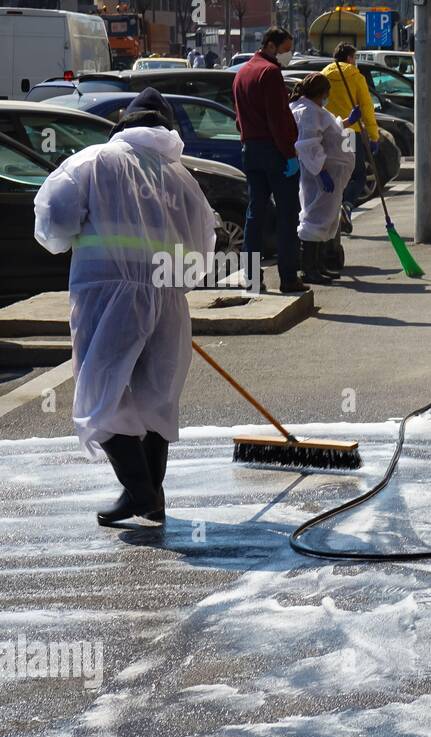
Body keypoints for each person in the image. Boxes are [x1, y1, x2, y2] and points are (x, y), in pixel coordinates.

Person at [32, 89, 216, 526]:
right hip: (166, 298)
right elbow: (202, 246)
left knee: (102, 388)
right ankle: (152, 495)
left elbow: (54, 218)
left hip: (108, 293)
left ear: (124, 123)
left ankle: (139, 490)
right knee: (156, 394)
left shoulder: (94, 161)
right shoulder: (181, 178)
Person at [232, 27, 304, 292]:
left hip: (250, 150)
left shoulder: (242, 72)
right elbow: (279, 120)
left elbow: (239, 118)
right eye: (286, 49)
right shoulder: (270, 73)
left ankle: (251, 278)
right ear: (272, 46)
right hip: (274, 151)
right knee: (287, 214)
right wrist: (289, 154)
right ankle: (288, 277)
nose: (289, 55)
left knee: (255, 214)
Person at [291, 73, 360, 284]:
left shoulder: (314, 109)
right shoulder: (308, 112)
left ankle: (318, 266)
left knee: (325, 220)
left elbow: (330, 130)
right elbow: (309, 145)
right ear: (321, 92)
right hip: (321, 177)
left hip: (328, 175)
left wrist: (349, 121)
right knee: (315, 220)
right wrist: (321, 172)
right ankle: (309, 269)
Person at [322, 44, 379, 232]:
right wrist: (373, 136)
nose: (355, 61)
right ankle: (345, 205)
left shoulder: (323, 75)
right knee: (357, 176)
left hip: (328, 133)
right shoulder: (355, 76)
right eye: (354, 57)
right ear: (348, 58)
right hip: (348, 133)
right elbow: (367, 107)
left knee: (334, 176)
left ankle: (333, 213)